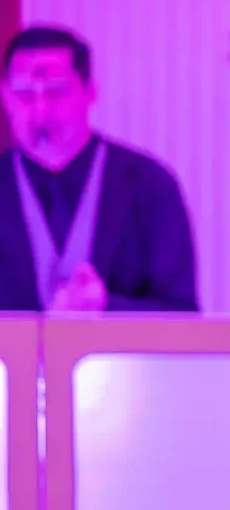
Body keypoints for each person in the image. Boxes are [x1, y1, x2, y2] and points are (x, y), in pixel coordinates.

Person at [0, 26, 199, 312]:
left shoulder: (150, 185)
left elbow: (183, 316)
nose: (40, 110)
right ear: (5, 97)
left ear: (90, 92)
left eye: (56, 92)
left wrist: (107, 306)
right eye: (24, 94)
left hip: (123, 358)